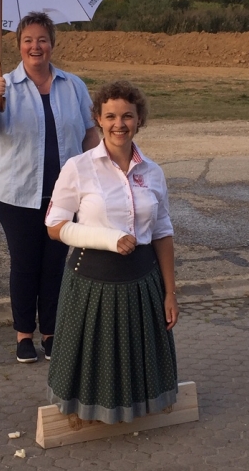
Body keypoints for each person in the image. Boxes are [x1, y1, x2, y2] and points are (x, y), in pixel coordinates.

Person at [0, 12, 100, 363]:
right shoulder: (3, 85)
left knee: (55, 264)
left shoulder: (73, 86)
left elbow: (89, 133)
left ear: (52, 44)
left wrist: (101, 171)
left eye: (42, 39)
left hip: (64, 195)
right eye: (28, 40)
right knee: (25, 264)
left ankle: (52, 333)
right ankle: (25, 334)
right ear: (19, 46)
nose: (35, 46)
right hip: (15, 194)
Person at [44, 81, 179, 423]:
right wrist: (108, 238)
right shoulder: (79, 167)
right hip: (91, 281)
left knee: (137, 351)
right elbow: (55, 226)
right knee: (97, 354)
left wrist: (170, 292)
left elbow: (162, 232)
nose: (120, 124)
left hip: (142, 281)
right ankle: (87, 411)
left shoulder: (153, 171)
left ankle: (139, 406)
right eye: (111, 116)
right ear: (98, 120)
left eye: (128, 116)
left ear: (139, 120)